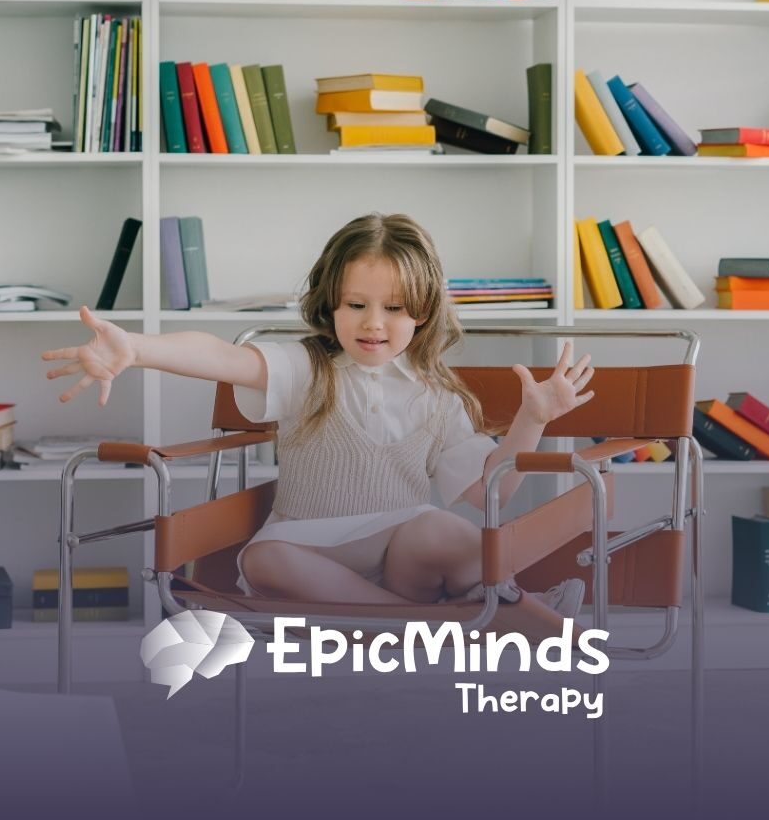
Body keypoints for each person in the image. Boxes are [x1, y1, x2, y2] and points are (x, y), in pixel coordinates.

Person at [42, 213, 594, 616]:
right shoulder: (305, 369)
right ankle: (453, 621)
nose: (373, 323)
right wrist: (137, 349)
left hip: (403, 563)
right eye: (356, 304)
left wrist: (534, 420)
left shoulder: (437, 397)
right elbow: (220, 355)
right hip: (306, 556)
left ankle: (496, 616)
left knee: (447, 530)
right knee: (264, 560)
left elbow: (487, 491)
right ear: (331, 306)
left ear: (422, 314)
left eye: (395, 308)